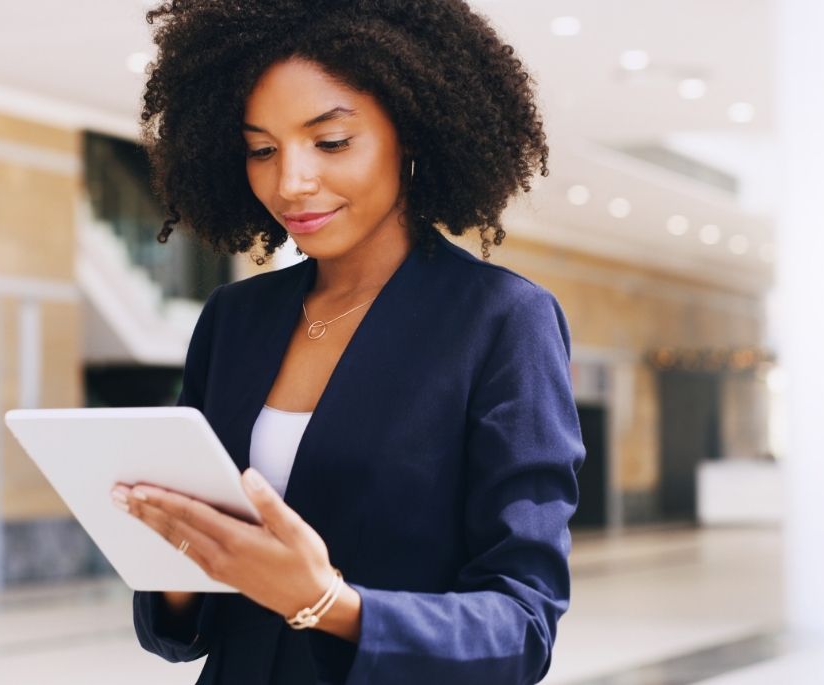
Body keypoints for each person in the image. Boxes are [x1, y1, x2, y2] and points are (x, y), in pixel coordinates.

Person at [108, 1, 585, 683]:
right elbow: (186, 625)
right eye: (262, 150)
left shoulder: (502, 320)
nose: (290, 182)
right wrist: (183, 554)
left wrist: (329, 602)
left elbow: (522, 626)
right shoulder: (235, 317)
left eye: (330, 142)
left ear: (411, 135)